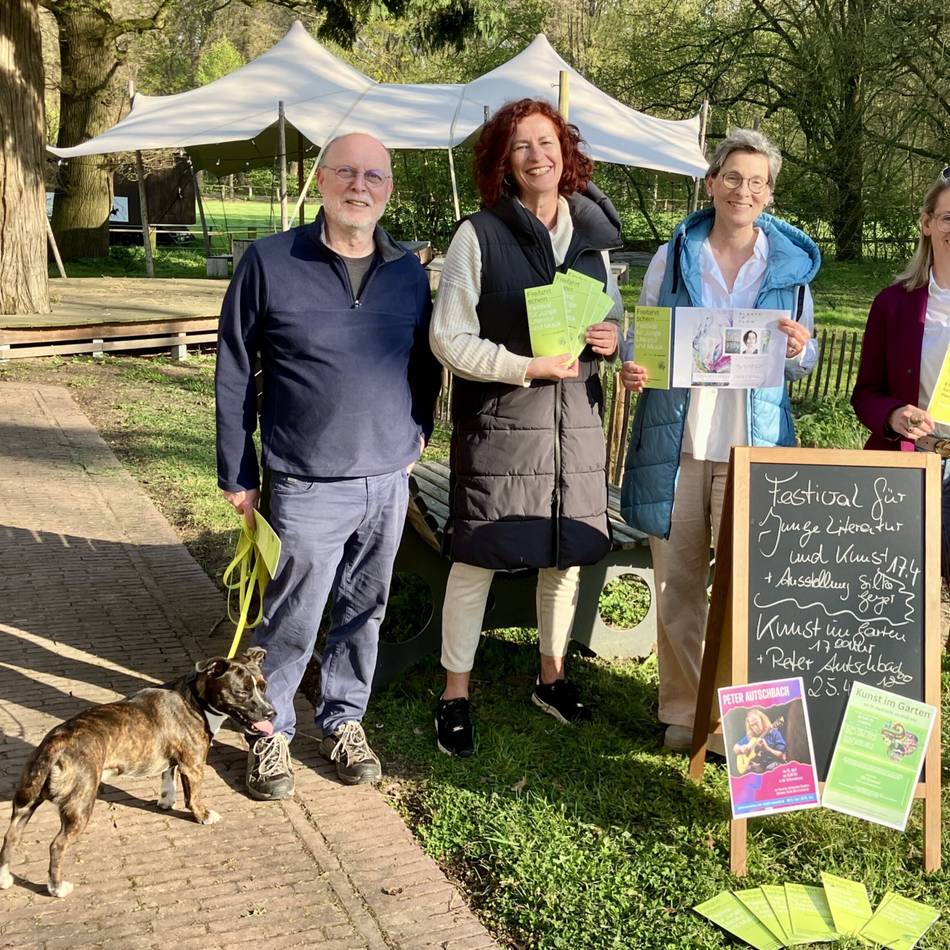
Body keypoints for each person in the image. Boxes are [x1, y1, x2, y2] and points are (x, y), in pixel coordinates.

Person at [215, 132, 441, 797]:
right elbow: (233, 370)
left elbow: (424, 364)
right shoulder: (269, 260)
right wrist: (239, 469)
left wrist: (419, 432)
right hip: (305, 480)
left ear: (388, 191)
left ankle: (343, 720)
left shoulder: (408, 271)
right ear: (321, 181)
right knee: (293, 618)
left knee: (363, 611)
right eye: (346, 172)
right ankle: (270, 734)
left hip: (386, 480)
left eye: (374, 175)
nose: (359, 185)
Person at [429, 98, 623, 756]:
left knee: (564, 556)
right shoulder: (476, 236)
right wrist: (521, 365)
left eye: (547, 142)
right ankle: (455, 693)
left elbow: (613, 326)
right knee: (475, 556)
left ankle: (552, 676)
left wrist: (609, 338)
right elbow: (447, 339)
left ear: (565, 151)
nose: (538, 155)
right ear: (503, 164)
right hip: (502, 426)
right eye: (521, 147)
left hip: (575, 429)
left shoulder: (595, 237)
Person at [619, 128, 820, 752]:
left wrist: (798, 347)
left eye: (757, 181)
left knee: (748, 589)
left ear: (769, 194)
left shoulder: (788, 269)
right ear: (712, 183)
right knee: (677, 584)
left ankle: (743, 723)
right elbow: (644, 339)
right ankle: (684, 711)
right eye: (733, 176)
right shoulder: (673, 255)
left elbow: (801, 360)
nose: (743, 190)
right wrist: (634, 363)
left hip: (751, 447)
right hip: (677, 444)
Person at [851, 169, 950, 584]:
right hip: (912, 467)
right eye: (949, 218)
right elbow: (865, 393)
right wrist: (893, 417)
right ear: (927, 224)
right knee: (903, 598)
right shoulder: (893, 304)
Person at [733, 709, 786, 774]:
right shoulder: (751, 737)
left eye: (756, 723)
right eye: (752, 725)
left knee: (770, 768)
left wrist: (766, 749)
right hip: (758, 769)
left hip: (772, 768)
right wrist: (741, 749)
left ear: (762, 720)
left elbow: (782, 756)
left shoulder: (774, 734)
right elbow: (735, 747)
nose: (755, 727)